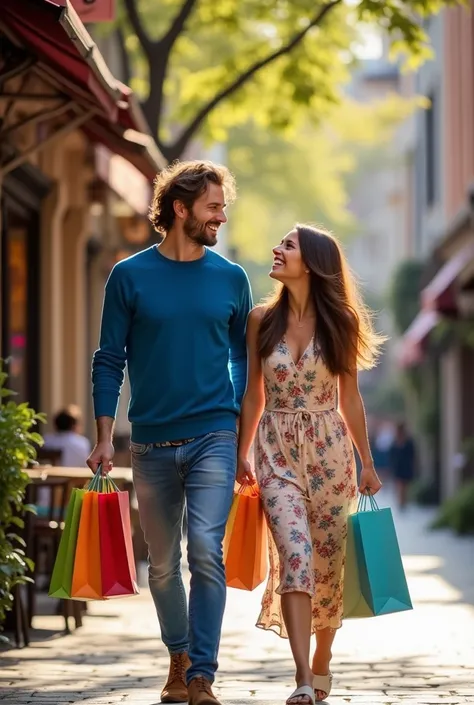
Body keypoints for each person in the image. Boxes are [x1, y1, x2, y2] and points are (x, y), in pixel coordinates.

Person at [88, 160, 252, 705]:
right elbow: (109, 358)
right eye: (213, 206)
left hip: (213, 435)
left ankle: (202, 672)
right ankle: (177, 656)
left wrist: (236, 427)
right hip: (151, 441)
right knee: (161, 564)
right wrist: (104, 434)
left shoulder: (232, 278)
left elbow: (240, 359)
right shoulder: (128, 276)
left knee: (206, 549)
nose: (221, 217)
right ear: (180, 209)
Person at [237, 224, 383, 705]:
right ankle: (302, 676)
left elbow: (351, 398)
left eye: (288, 245)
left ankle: (323, 657)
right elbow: (254, 392)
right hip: (276, 452)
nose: (276, 250)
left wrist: (367, 462)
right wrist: (243, 452)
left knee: (328, 566)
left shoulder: (341, 320)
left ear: (313, 261)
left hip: (331, 456)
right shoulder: (261, 319)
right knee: (296, 557)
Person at [389, 421, 416, 510]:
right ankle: (401, 502)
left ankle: (403, 502)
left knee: (404, 485)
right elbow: (392, 455)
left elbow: (412, 454)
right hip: (398, 467)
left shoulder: (408, 442)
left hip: (406, 466)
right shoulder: (394, 442)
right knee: (399, 485)